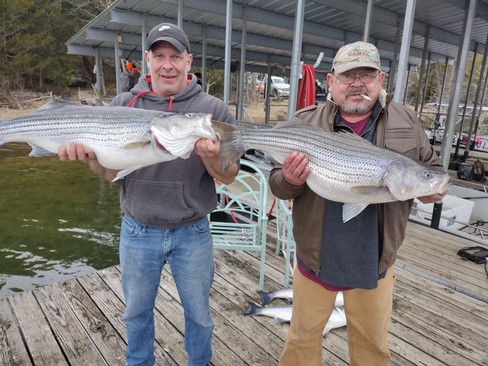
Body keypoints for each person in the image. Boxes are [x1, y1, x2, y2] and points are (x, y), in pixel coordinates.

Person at [59, 22, 238, 366]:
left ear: (189, 61)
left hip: (193, 231)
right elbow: (110, 173)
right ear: (146, 60)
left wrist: (213, 157)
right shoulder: (124, 103)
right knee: (136, 314)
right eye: (159, 56)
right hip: (138, 229)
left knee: (199, 315)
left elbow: (229, 177)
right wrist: (91, 159)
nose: (167, 64)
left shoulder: (212, 110)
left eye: (175, 56)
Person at [268, 41, 447, 366]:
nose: (357, 84)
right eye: (349, 76)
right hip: (315, 263)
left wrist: (429, 190)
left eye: (366, 75)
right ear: (331, 81)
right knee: (301, 344)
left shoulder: (407, 121)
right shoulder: (305, 121)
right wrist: (290, 181)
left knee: (372, 349)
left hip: (375, 264)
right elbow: (277, 184)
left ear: (381, 79)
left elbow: (431, 172)